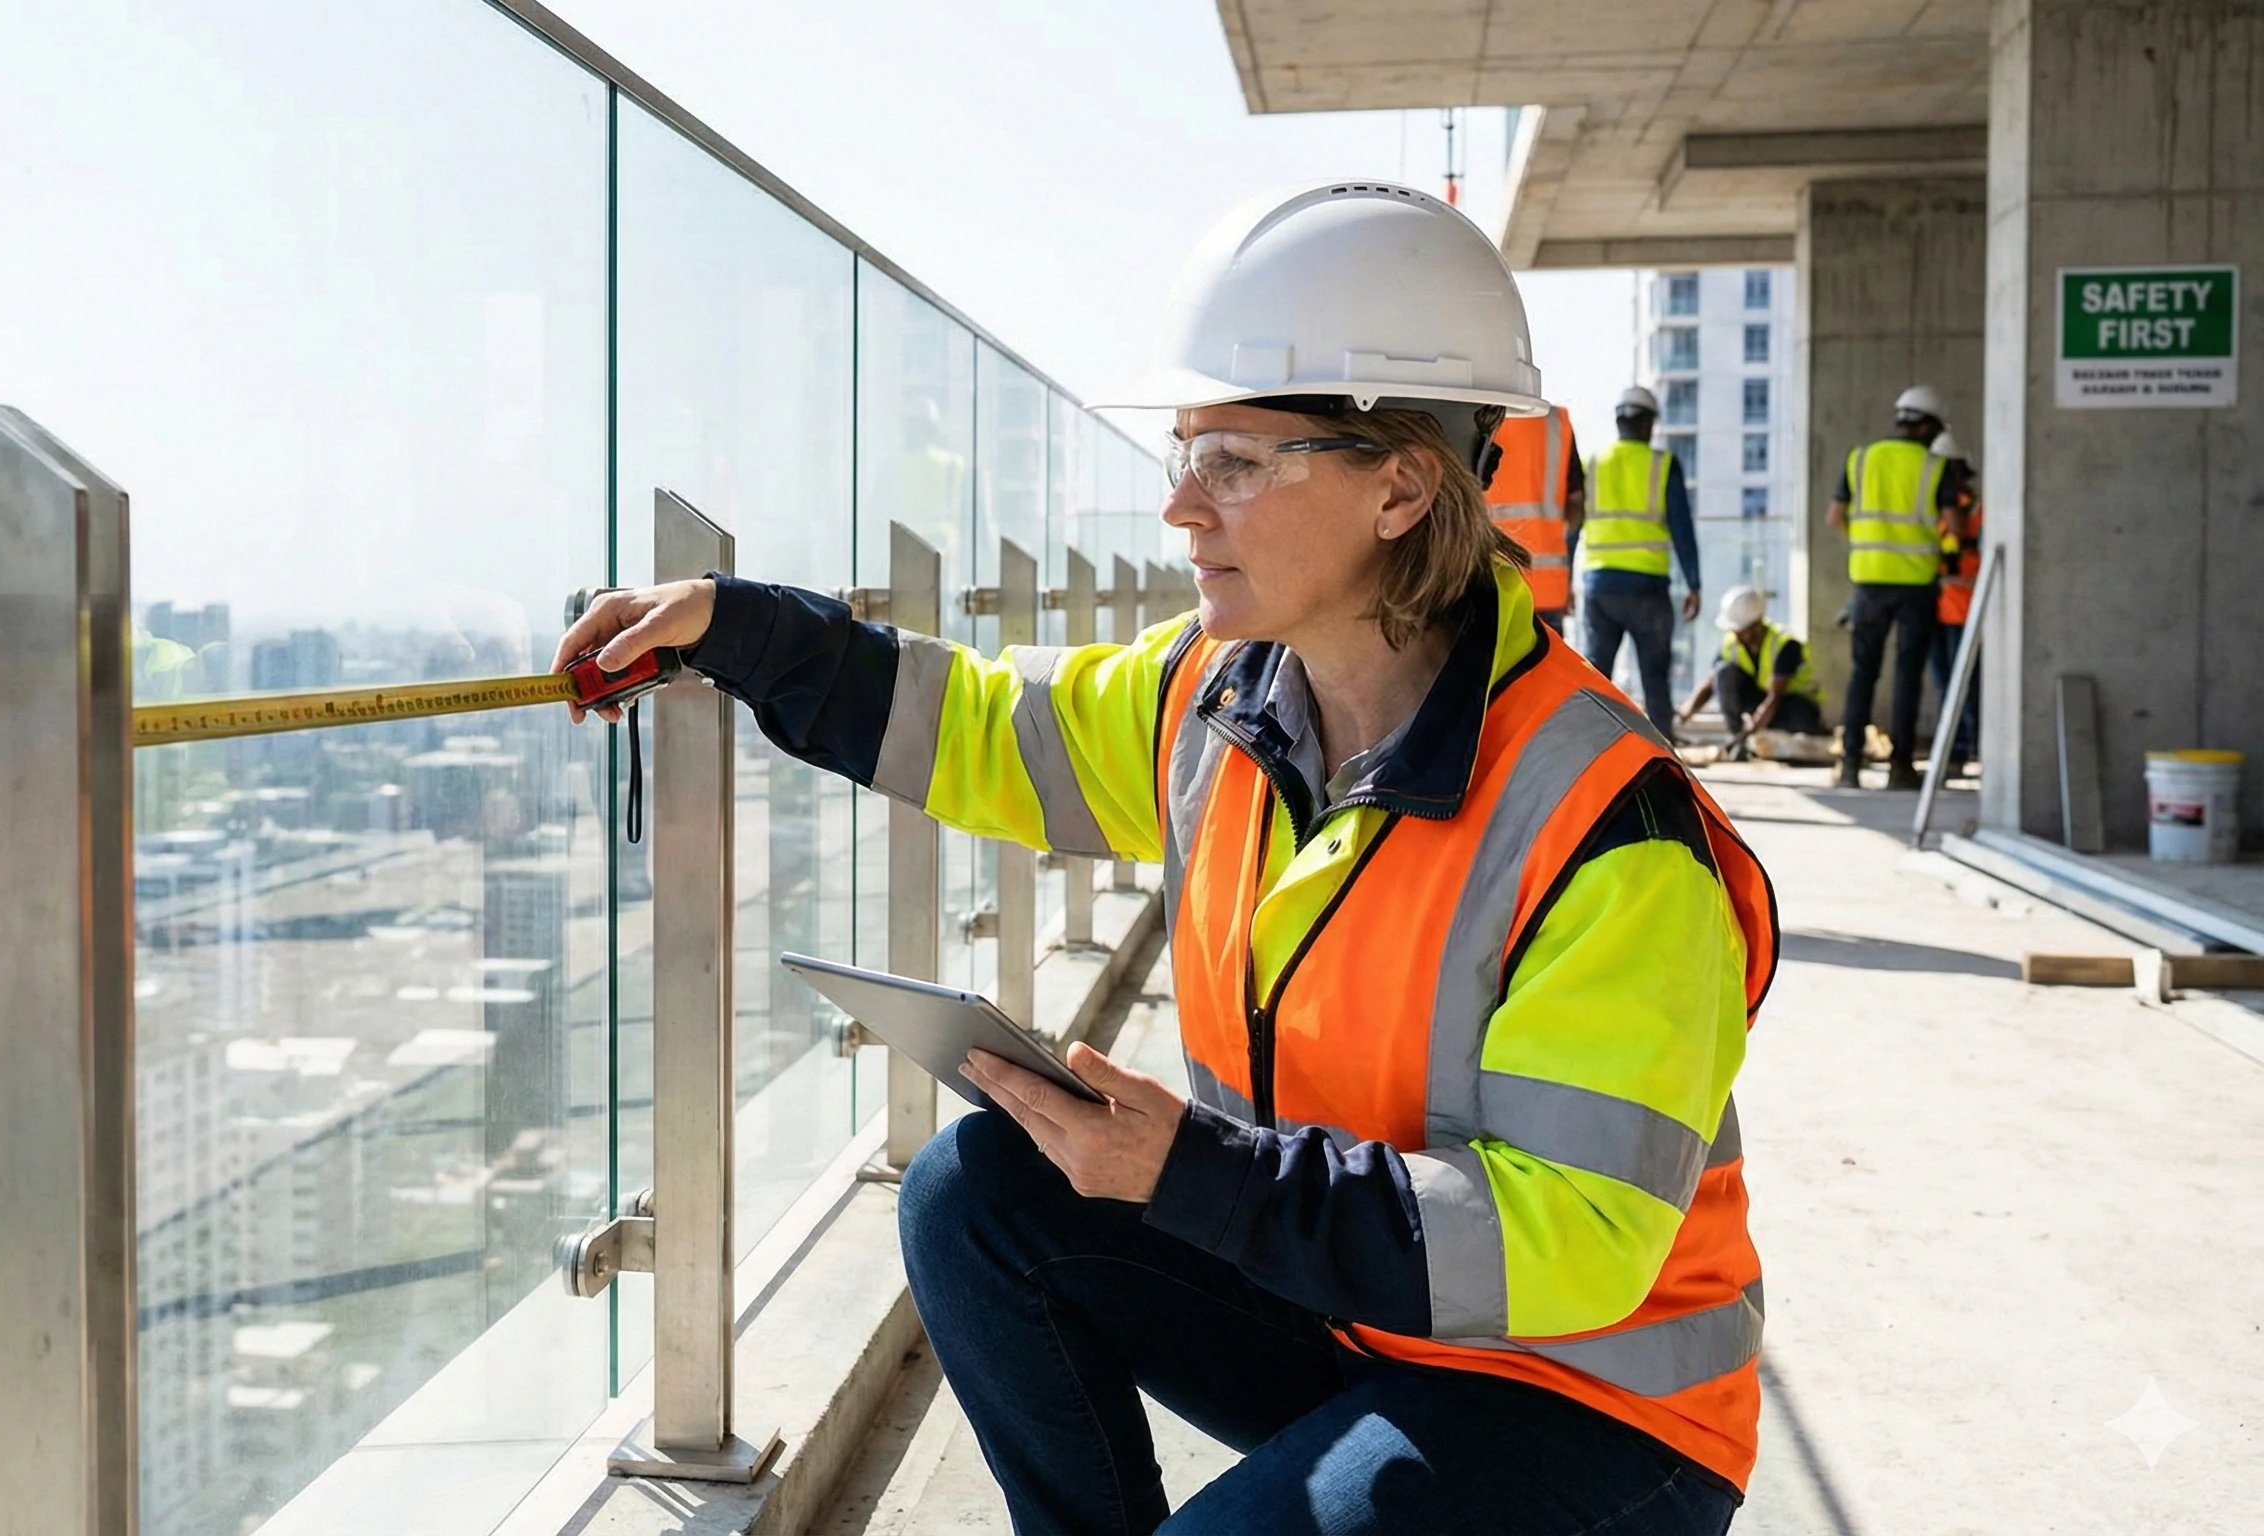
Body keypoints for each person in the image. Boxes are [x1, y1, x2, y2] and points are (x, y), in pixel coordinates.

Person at [558, 182, 1772, 1536]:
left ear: (1403, 485)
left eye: (1237, 464)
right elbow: (985, 730)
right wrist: (743, 630)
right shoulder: (1222, 699)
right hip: (1355, 1316)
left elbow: (1578, 1239)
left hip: (1581, 1403)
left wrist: (1196, 1175)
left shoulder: (1609, 824)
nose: (1182, 511)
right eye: (1184, 453)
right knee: (976, 1194)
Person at [1827, 384, 1958, 788]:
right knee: (1907, 674)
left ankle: (1849, 766)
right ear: (1928, 427)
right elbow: (1952, 525)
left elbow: (1835, 516)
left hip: (1868, 581)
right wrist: (1943, 553)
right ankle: (1900, 767)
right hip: (1916, 584)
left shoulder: (1861, 459)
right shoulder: (1936, 466)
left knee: (1863, 674)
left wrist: (1864, 546)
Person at [1578, 386, 1702, 736]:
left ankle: (1589, 753)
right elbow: (1682, 529)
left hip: (1600, 586)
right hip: (1648, 587)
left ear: (1619, 421)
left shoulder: (1593, 463)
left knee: (1595, 677)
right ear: (1649, 423)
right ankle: (1664, 758)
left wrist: (1563, 585)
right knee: (1654, 678)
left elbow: (1572, 526)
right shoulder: (1662, 465)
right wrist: (1694, 583)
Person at [1680, 585, 1824, 755]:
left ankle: (1750, 740)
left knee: (1801, 720)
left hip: (1792, 704)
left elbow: (1774, 697)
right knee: (1724, 673)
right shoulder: (1731, 644)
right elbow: (1710, 684)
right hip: (1762, 701)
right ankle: (1737, 736)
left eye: (1741, 630)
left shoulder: (1785, 644)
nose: (1736, 635)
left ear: (1756, 625)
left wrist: (1748, 732)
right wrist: (1683, 715)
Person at [1482, 405, 1585, 631]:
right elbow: (1576, 506)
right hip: (1548, 587)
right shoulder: (1556, 422)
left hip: (1489, 584)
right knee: (1545, 665)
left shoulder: (1478, 415)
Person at [1925, 432, 1982, 769]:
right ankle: (1956, 750)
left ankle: (1970, 747)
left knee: (1966, 686)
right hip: (1935, 606)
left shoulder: (1975, 508)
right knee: (1945, 685)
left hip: (1963, 607)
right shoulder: (1931, 507)